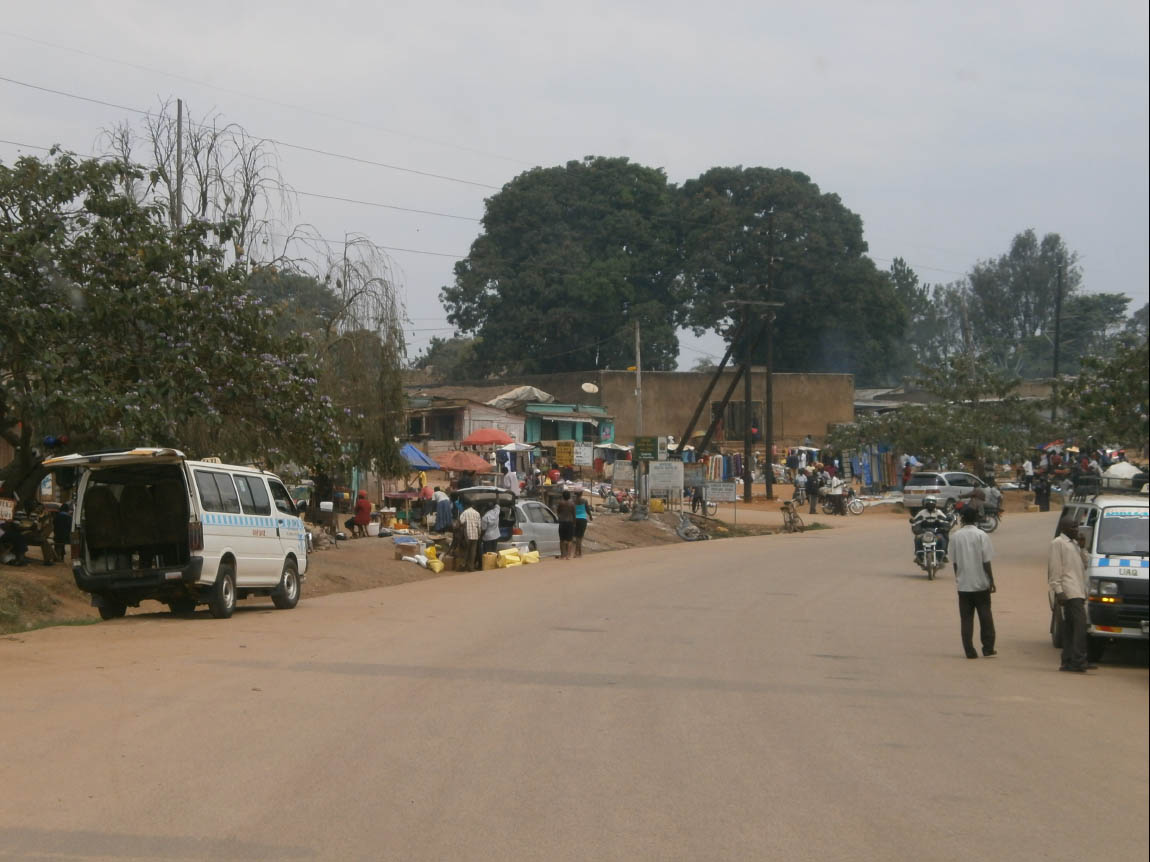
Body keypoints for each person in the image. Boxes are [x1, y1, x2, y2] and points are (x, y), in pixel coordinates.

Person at [949, 506, 997, 659]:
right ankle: (988, 647)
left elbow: (954, 562)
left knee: (966, 619)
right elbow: (986, 561)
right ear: (976, 518)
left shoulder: (956, 536)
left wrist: (959, 577)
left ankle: (969, 650)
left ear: (962, 518)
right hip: (980, 583)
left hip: (964, 585)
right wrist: (991, 580)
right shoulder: (981, 535)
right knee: (985, 616)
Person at [1048, 516, 1094, 672]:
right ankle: (1079, 661)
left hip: (1078, 590)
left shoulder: (1074, 544)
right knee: (1080, 626)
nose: (1077, 530)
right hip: (1069, 591)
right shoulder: (1058, 543)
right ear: (1064, 528)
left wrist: (1082, 547)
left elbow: (1086, 564)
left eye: (1077, 527)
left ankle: (1067, 661)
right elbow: (1054, 569)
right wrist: (1059, 591)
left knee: (1070, 628)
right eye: (1073, 527)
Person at [911, 496, 953, 562]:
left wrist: (944, 527)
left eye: (932, 503)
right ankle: (918, 555)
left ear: (935, 504)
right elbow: (916, 522)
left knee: (942, 538)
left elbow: (945, 521)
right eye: (928, 503)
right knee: (918, 538)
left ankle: (943, 554)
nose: (930, 505)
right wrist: (917, 529)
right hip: (924, 531)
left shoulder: (939, 512)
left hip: (937, 531)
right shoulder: (921, 513)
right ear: (925, 504)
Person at [458, 501, 482, 571]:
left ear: (466, 506)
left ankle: (463, 565)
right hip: (475, 535)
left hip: (466, 536)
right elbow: (479, 526)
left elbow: (461, 522)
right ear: (473, 506)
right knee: (473, 552)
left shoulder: (464, 513)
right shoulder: (477, 513)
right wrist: (479, 534)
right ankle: (471, 567)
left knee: (465, 551)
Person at [555, 490, 576, 560]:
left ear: (563, 496)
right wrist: (574, 523)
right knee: (570, 540)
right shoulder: (572, 504)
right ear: (569, 496)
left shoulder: (560, 503)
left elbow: (558, 511)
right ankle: (568, 555)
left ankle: (562, 555)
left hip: (562, 522)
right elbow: (574, 514)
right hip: (570, 522)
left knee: (562, 540)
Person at [573, 490, 593, 557]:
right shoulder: (584, 501)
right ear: (581, 494)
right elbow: (587, 510)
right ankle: (576, 552)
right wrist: (590, 516)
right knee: (580, 537)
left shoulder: (573, 501)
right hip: (583, 519)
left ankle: (579, 552)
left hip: (575, 519)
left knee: (577, 537)